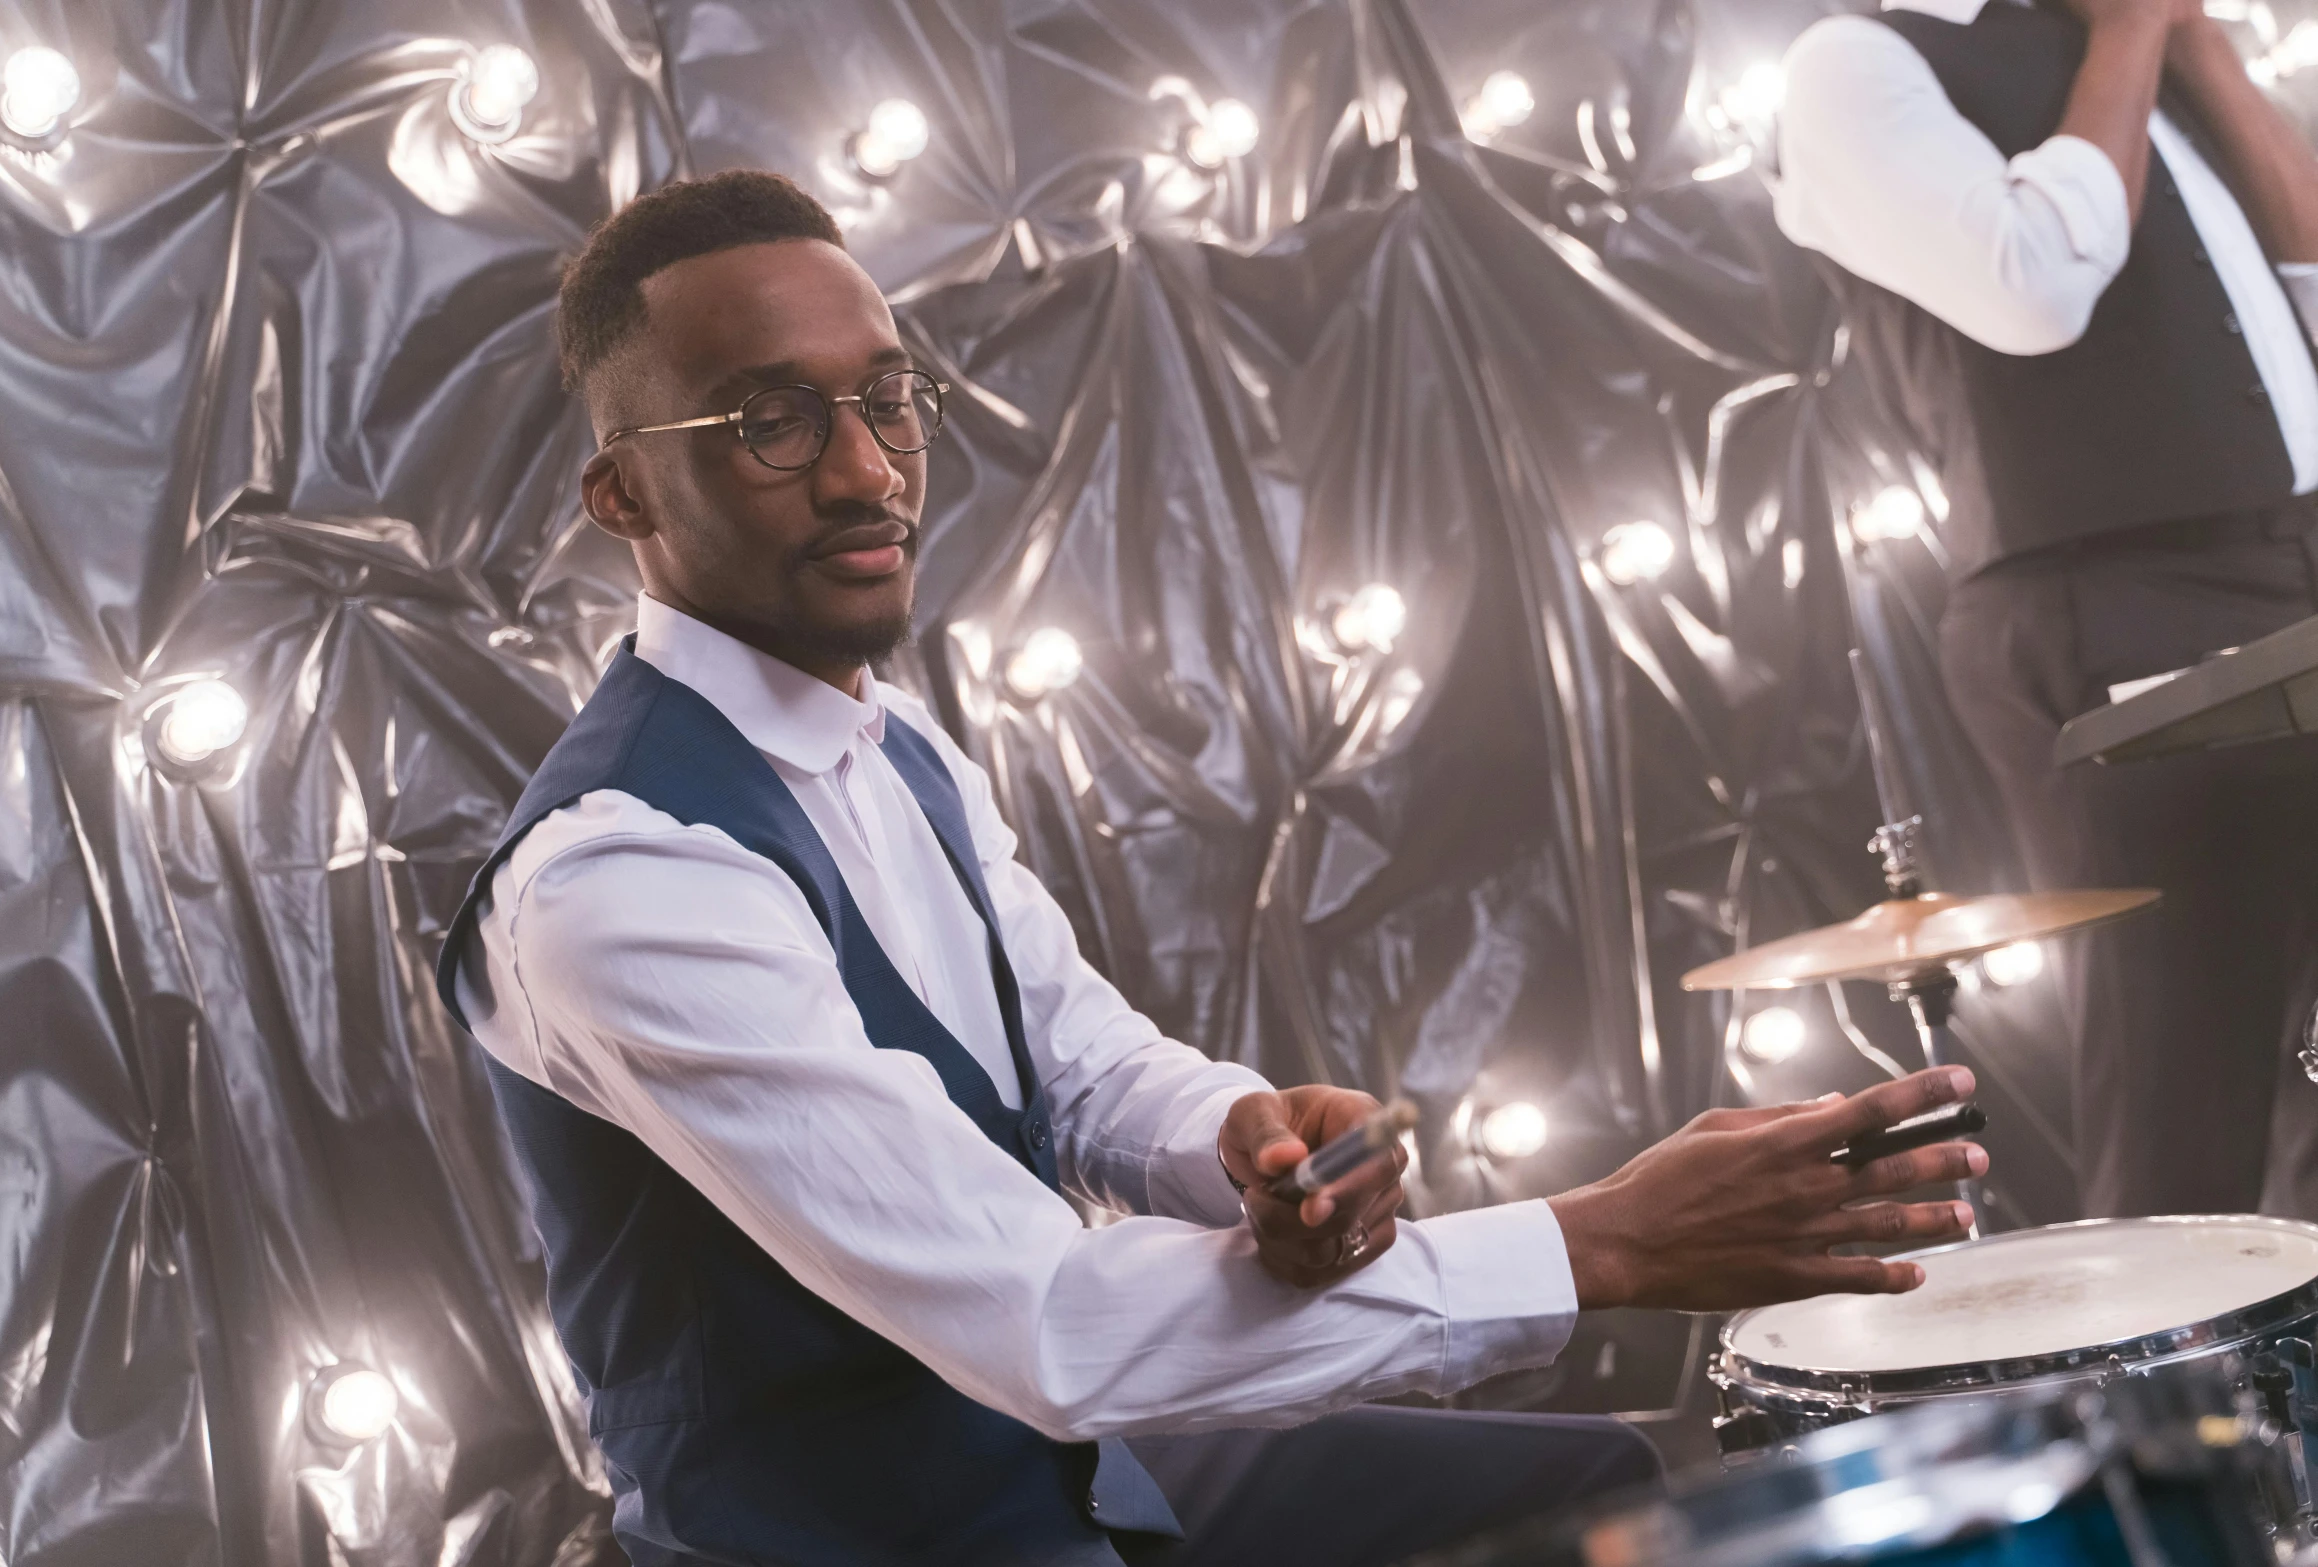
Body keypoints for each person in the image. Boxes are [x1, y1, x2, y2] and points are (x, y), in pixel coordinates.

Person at [435, 169, 1986, 1567]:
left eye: (887, 396)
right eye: (769, 419)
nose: (866, 472)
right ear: (623, 493)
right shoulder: (618, 878)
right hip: (868, 1540)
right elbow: (1051, 1323)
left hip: (1070, 1468)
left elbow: (1079, 1055)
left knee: (1598, 1484)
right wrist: (1605, 1239)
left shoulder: (893, 741)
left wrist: (1235, 1137)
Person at [1775, 0, 2318, 1221]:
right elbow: (2031, 288)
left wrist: (2199, 51)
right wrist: (2131, 32)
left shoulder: (2140, 46)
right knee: (2188, 1088)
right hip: (2111, 609)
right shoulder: (1855, 64)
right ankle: (2179, 1411)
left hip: (2294, 565)